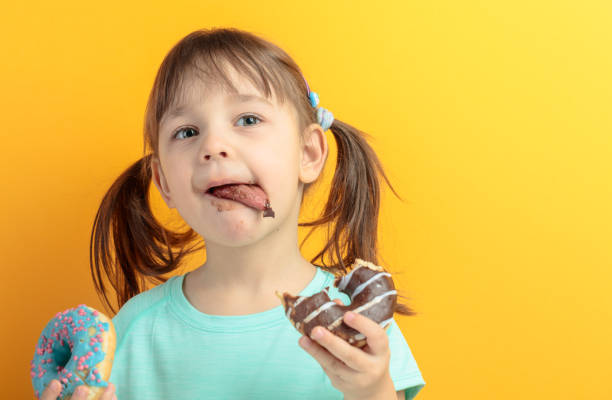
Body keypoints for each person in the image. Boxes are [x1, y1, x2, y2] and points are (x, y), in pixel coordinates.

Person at [39, 27, 426, 400]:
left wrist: (370, 391)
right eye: (187, 131)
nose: (213, 145)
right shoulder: (133, 332)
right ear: (164, 183)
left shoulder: (359, 323)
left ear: (308, 154)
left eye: (248, 120)